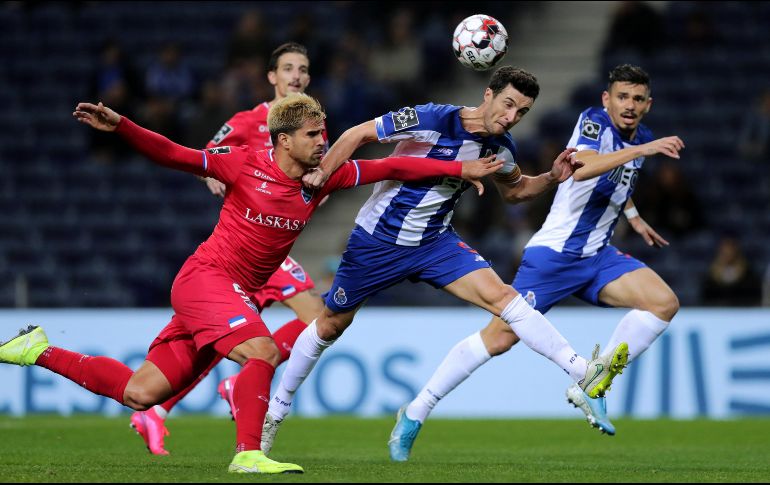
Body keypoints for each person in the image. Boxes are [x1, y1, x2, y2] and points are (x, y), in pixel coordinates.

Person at [0, 94, 501, 474]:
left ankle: (36, 350)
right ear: (284, 140)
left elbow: (392, 164)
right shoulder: (243, 163)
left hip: (227, 292)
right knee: (261, 350)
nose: (322, 142)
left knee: (141, 393)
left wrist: (460, 168)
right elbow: (173, 154)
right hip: (207, 279)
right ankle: (249, 454)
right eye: (312, 135)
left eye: (323, 132)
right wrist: (122, 126)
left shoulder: (322, 177)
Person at [260, 66, 632, 456]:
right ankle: (277, 412)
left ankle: (583, 373)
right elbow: (358, 134)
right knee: (331, 325)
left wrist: (552, 177)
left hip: (435, 243)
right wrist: (323, 171)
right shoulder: (431, 118)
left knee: (502, 297)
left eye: (521, 112)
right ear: (488, 95)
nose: (510, 117)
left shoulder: (501, 149)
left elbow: (517, 191)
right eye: (507, 105)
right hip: (377, 241)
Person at [388, 64, 686, 461]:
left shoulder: (640, 137)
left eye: (636, 99)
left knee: (663, 302)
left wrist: (632, 216)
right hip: (555, 255)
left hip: (598, 255)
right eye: (621, 96)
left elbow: (618, 181)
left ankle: (592, 386)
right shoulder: (594, 123)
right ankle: (415, 412)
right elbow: (584, 170)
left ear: (647, 105)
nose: (628, 105)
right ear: (606, 99)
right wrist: (643, 150)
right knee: (498, 338)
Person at [129, 42, 329, 457]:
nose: (296, 76)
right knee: (318, 318)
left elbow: (324, 173)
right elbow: (206, 156)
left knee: (221, 339)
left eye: (303, 69)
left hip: (272, 246)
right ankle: (230, 389)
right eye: (288, 68)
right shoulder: (248, 120)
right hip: (241, 246)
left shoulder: (311, 124)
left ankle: (161, 408)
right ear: (272, 77)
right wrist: (212, 179)